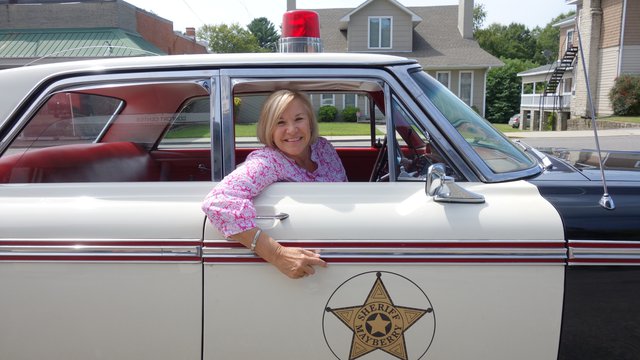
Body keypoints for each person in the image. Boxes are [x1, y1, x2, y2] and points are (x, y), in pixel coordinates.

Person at [202, 90, 347, 279]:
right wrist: (277, 254)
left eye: (299, 119)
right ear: (268, 128)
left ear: (310, 122)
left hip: (335, 245)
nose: (292, 130)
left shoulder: (323, 148)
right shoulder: (268, 162)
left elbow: (345, 188)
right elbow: (218, 202)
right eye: (280, 122)